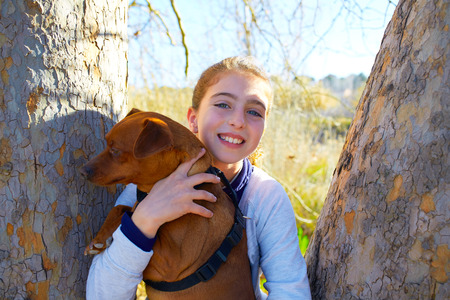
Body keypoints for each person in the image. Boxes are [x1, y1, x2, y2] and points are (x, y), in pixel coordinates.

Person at [86, 56, 311, 299]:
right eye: (223, 104)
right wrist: (145, 218)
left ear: (264, 128)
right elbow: (102, 295)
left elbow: (290, 290)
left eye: (254, 111)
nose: (237, 121)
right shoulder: (144, 182)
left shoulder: (265, 195)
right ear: (193, 119)